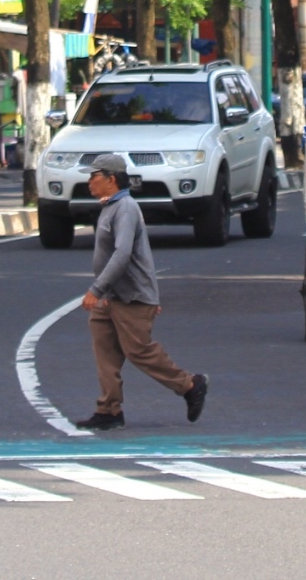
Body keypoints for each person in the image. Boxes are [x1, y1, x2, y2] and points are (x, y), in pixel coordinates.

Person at [75, 154, 209, 432]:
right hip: (111, 296)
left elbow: (123, 254)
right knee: (106, 353)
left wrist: (96, 289)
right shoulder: (109, 207)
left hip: (130, 296)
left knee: (138, 351)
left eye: (94, 176)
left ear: (111, 179)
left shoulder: (125, 208)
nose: (89, 181)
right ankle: (108, 410)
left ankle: (190, 385)